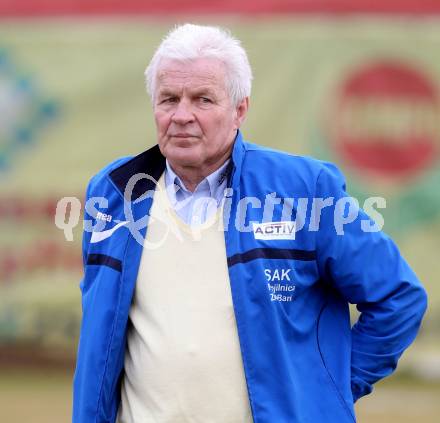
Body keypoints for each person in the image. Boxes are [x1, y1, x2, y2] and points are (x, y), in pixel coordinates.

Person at [72, 24, 427, 423]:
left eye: (203, 99)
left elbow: (398, 297)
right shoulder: (113, 192)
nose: (181, 115)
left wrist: (328, 390)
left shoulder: (305, 190)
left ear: (240, 109)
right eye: (168, 99)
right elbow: (100, 337)